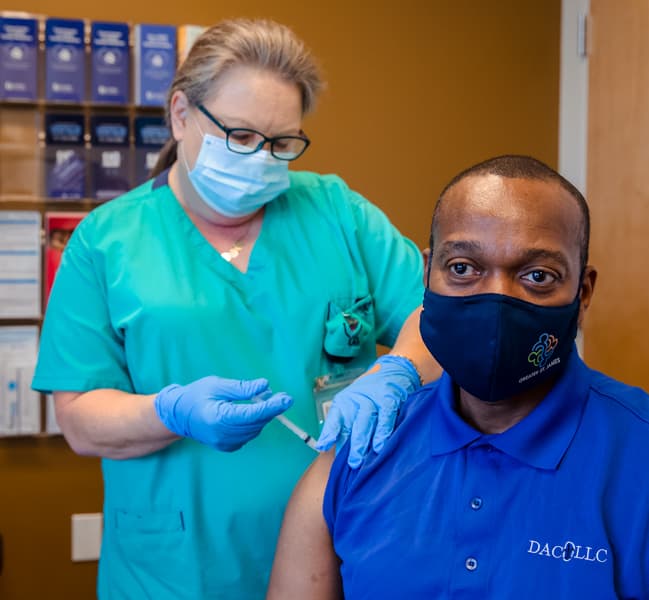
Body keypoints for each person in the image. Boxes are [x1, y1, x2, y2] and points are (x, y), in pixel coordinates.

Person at [32, 18, 439, 600]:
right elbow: (79, 419)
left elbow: (433, 317)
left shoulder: (338, 213)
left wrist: (400, 371)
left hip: (339, 545)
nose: (261, 159)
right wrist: (171, 413)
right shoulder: (105, 242)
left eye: (280, 144)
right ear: (180, 114)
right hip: (175, 566)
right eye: (241, 137)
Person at [267, 154, 649, 599]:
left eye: (537, 276)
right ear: (428, 272)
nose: (496, 299)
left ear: (583, 294)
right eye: (462, 269)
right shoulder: (362, 456)